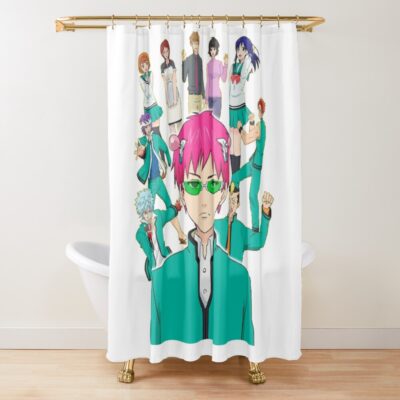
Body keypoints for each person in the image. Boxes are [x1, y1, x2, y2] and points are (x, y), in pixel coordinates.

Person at [150, 111, 255, 346]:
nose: (205, 198)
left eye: (214, 184)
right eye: (194, 185)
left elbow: (247, 340)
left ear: (224, 192)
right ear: (181, 193)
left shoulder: (240, 277)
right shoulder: (162, 277)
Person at [135, 113, 186, 244]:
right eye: (146, 127)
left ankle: (180, 233)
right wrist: (140, 152)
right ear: (143, 128)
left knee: (170, 206)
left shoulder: (156, 138)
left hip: (159, 180)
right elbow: (140, 152)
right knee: (149, 211)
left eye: (149, 126)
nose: (148, 128)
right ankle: (151, 238)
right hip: (152, 182)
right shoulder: (142, 141)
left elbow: (165, 148)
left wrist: (168, 163)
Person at [230, 98, 267, 232]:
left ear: (261, 110)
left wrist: (240, 127)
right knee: (235, 177)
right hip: (252, 163)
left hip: (256, 167)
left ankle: (255, 228)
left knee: (252, 196)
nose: (257, 111)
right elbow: (252, 130)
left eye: (259, 109)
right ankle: (233, 208)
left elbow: (246, 140)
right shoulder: (258, 124)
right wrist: (250, 120)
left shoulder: (261, 127)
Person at [215, 188, 273, 262]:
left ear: (238, 204)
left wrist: (265, 209)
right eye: (230, 200)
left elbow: (260, 241)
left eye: (234, 201)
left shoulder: (241, 229)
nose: (232, 204)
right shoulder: (215, 224)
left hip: (236, 269)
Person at [228, 36, 260, 173]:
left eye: (243, 49)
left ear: (247, 51)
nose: (239, 52)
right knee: (232, 141)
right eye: (238, 49)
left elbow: (240, 83)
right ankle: (234, 175)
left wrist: (250, 53)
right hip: (231, 106)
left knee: (236, 139)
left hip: (239, 106)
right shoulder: (233, 66)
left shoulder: (246, 64)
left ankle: (235, 176)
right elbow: (229, 86)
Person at [135, 189, 178, 281]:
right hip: (154, 265)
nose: (148, 215)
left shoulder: (158, 216)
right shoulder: (140, 233)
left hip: (165, 257)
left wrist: (176, 209)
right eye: (145, 212)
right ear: (141, 213)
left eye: (149, 210)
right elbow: (149, 253)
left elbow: (168, 214)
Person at [138, 52, 163, 136]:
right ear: (140, 67)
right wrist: (146, 81)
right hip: (146, 106)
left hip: (153, 104)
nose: (145, 67)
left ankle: (161, 144)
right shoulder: (140, 78)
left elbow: (150, 90)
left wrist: (147, 82)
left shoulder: (151, 74)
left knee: (156, 130)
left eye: (146, 63)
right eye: (143, 65)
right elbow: (146, 93)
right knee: (149, 132)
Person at [160, 39, 182, 135]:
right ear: (162, 53)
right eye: (164, 52)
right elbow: (165, 83)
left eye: (167, 51)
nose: (166, 53)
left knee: (179, 121)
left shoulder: (172, 63)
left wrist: (175, 98)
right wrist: (166, 98)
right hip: (169, 96)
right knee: (171, 124)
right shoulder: (162, 66)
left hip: (174, 93)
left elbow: (174, 80)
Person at [182, 31, 205, 114]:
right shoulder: (188, 60)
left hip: (199, 96)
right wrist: (183, 62)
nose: (196, 46)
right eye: (194, 43)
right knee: (192, 119)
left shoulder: (200, 60)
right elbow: (184, 79)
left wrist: (204, 96)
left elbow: (201, 79)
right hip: (192, 96)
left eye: (197, 43)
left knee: (200, 119)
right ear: (191, 44)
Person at [205, 37, 228, 118]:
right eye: (211, 49)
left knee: (217, 119)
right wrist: (206, 98)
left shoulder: (219, 63)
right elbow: (208, 82)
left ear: (217, 50)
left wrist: (225, 65)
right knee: (210, 120)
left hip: (217, 97)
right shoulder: (208, 65)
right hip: (210, 97)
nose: (212, 51)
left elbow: (224, 79)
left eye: (214, 49)